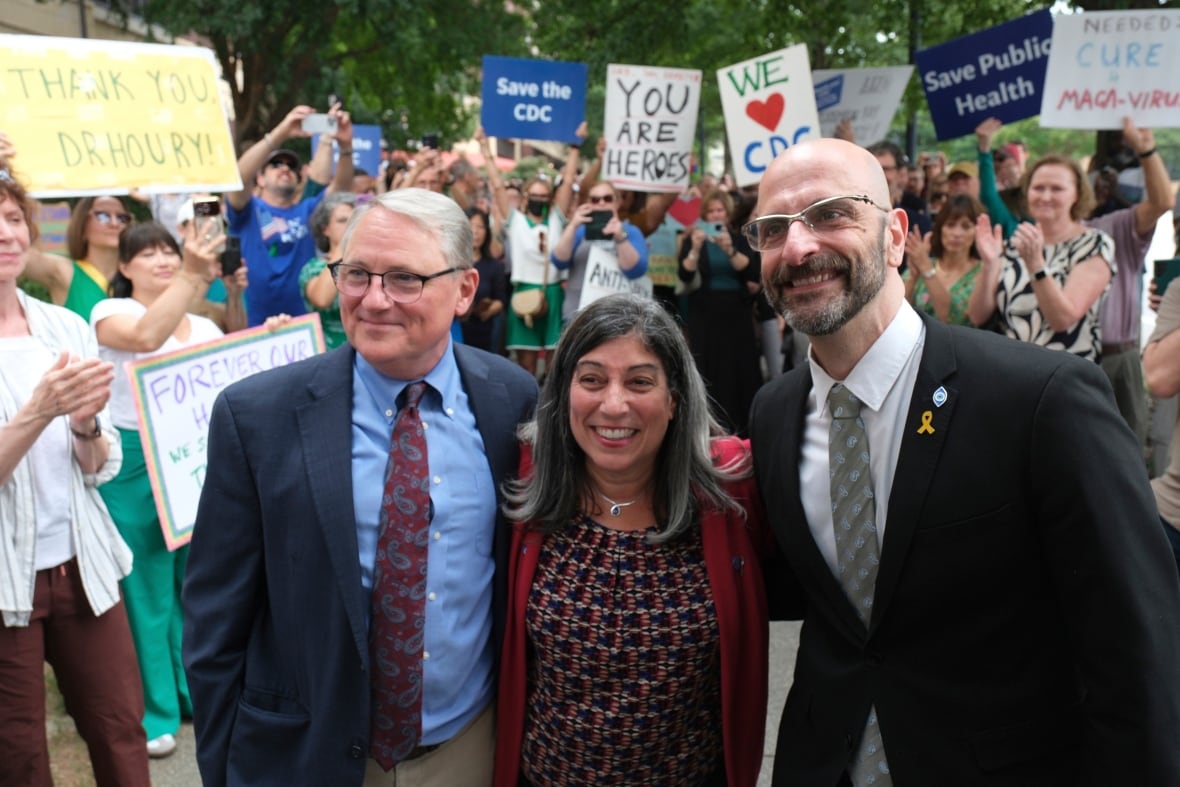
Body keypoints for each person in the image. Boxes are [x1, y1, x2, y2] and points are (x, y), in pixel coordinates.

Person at [744, 137, 1180, 785]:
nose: (799, 246)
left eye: (831, 214)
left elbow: (1139, 656)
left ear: (895, 237)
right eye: (774, 228)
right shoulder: (773, 414)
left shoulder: (1042, 401)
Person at [183, 188, 539, 786]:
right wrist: (222, 768)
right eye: (356, 275)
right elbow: (215, 622)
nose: (374, 300)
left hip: (469, 750)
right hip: (309, 755)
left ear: (465, 290)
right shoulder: (257, 417)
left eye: (404, 278)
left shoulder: (514, 400)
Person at [495, 293, 771, 787]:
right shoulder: (527, 477)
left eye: (640, 381)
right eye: (592, 380)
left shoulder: (733, 487)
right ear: (564, 395)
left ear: (674, 400)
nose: (614, 404)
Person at [0, 167, 150, 786]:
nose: (6, 235)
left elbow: (97, 465)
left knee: (120, 728)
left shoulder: (63, 326)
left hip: (83, 564)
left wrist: (87, 424)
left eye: (12, 220)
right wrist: (39, 410)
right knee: (18, 754)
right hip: (6, 579)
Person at [90, 221, 224, 758]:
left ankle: (196, 695)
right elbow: (146, 337)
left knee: (197, 583)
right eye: (146, 254)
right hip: (133, 463)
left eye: (169, 251)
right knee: (144, 590)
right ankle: (156, 711)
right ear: (124, 268)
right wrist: (194, 275)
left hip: (194, 462)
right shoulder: (108, 314)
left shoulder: (206, 326)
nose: (162, 261)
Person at [967, 154, 1115, 363]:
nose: (1045, 197)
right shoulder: (1015, 243)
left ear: (1077, 194)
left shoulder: (1094, 244)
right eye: (1038, 188)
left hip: (1065, 376)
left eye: (1057, 189)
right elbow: (976, 316)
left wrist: (1036, 265)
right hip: (1011, 373)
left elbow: (1062, 319)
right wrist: (990, 265)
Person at [226, 103, 354, 327]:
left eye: (291, 166)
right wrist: (281, 132)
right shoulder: (247, 210)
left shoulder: (307, 210)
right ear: (260, 179)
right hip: (255, 326)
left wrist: (345, 146)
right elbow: (237, 177)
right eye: (275, 164)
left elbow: (340, 191)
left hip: (302, 329)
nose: (285, 168)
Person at [1088, 120, 1174, 446]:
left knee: (1126, 455)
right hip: (1070, 358)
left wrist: (1146, 149)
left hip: (1117, 358)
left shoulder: (1118, 226)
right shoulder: (1045, 234)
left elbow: (1163, 202)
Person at [479, 124, 583, 377]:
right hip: (523, 291)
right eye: (534, 195)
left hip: (552, 293)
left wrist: (575, 148)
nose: (539, 199)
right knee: (525, 365)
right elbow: (497, 186)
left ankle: (552, 413)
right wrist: (484, 147)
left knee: (553, 364)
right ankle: (529, 412)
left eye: (544, 195)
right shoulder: (514, 221)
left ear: (549, 199)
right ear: (525, 197)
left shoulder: (557, 220)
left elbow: (568, 181)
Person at [678, 188, 763, 435]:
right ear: (704, 215)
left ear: (727, 214)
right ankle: (710, 427)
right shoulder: (693, 239)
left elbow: (751, 271)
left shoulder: (738, 239)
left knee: (740, 369)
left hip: (736, 314)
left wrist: (729, 250)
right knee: (709, 369)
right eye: (711, 211)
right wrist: (694, 248)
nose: (715, 215)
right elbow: (684, 273)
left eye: (720, 211)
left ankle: (744, 427)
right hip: (705, 314)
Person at [21, 194, 133, 319]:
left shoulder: (140, 274)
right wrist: (24, 207)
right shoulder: (65, 272)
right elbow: (19, 253)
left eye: (122, 218)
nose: (114, 223)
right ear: (82, 225)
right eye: (103, 216)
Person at [550, 180, 649, 321]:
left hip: (618, 318)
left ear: (618, 202)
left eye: (607, 198)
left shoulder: (631, 232)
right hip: (578, 315)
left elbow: (636, 270)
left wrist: (620, 238)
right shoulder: (579, 231)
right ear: (588, 203)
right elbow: (559, 261)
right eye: (595, 200)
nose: (601, 203)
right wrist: (573, 225)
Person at [902, 194, 985, 326]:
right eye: (950, 225)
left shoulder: (982, 272)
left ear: (978, 231)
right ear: (940, 229)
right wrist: (913, 277)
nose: (957, 233)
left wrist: (926, 269)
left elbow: (953, 319)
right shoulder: (924, 264)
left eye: (966, 226)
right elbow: (896, 314)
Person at [301, 191, 357, 349]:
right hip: (329, 353)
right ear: (325, 229)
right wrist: (345, 244)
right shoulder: (313, 268)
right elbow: (321, 299)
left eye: (354, 221)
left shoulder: (367, 267)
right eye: (342, 221)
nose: (350, 226)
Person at [462, 207, 507, 353]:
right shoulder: (452, 263)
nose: (475, 232)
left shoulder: (494, 266)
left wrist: (490, 308)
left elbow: (501, 299)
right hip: (456, 328)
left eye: (480, 227)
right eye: (470, 226)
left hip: (485, 329)